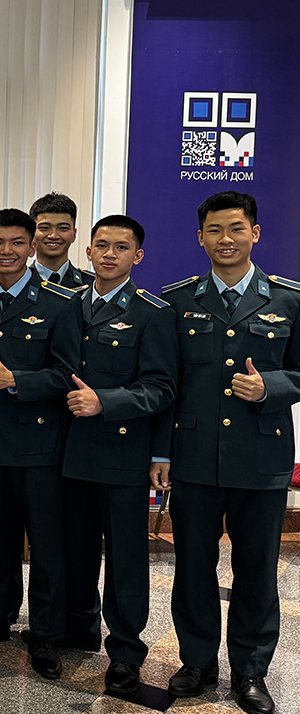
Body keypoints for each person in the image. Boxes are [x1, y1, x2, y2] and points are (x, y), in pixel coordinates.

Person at [154, 191, 300, 714]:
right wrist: (160, 453)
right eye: (214, 230)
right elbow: (163, 382)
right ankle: (197, 662)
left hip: (261, 457)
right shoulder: (176, 301)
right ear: (200, 237)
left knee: (257, 569)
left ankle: (250, 671)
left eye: (236, 229)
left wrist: (272, 388)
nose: (226, 240)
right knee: (193, 564)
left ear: (255, 234)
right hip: (193, 456)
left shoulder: (288, 299)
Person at [0, 208, 81, 681]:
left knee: (46, 541)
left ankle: (45, 631)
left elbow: (68, 372)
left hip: (39, 443)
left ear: (31, 248)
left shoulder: (62, 302)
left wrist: (15, 381)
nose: (6, 251)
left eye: (16, 242)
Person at [61, 214, 177, 699]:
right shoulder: (67, 307)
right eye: (101, 245)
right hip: (68, 453)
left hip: (124, 455)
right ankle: (79, 628)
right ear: (87, 252)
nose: (109, 254)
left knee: (126, 561)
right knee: (77, 551)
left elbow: (162, 388)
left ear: (137, 256)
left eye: (121, 247)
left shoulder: (153, 313)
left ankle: (126, 650)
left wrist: (107, 402)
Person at [29, 192, 95, 289]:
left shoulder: (92, 285)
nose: (53, 235)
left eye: (63, 228)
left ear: (74, 234)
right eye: (44, 228)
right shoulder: (16, 283)